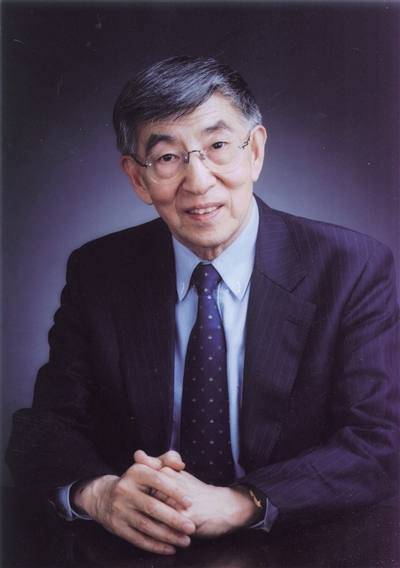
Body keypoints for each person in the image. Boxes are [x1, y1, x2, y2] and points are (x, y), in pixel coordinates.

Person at [6, 56, 399, 556]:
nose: (197, 181)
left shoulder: (352, 267)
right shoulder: (99, 271)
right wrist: (100, 495)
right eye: (167, 157)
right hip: (139, 545)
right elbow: (45, 429)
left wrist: (239, 503)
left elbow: (379, 441)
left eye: (217, 146)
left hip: (297, 544)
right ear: (137, 178)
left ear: (255, 151)